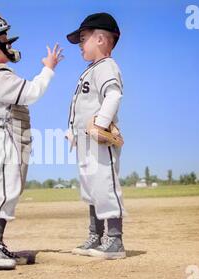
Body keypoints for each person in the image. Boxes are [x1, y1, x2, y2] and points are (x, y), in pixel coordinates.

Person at [0, 13, 63, 269]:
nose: (8, 44)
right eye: (2, 40)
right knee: (5, 191)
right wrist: (48, 69)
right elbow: (31, 92)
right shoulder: (0, 76)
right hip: (1, 140)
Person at [66, 12, 126, 259]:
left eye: (83, 38)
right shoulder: (91, 70)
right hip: (85, 141)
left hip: (99, 140)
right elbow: (80, 106)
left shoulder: (107, 67)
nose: (80, 44)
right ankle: (96, 235)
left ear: (101, 39)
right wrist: (72, 131)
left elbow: (113, 96)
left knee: (105, 186)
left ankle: (114, 240)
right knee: (91, 188)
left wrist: (101, 125)